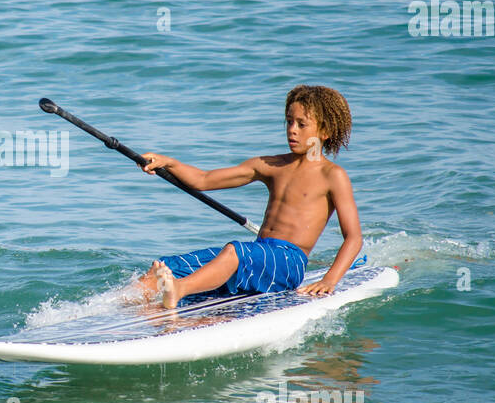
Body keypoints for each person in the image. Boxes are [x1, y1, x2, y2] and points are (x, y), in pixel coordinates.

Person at [131, 85, 363, 309]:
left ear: (325, 131)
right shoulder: (271, 166)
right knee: (169, 266)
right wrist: (169, 162)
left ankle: (179, 290)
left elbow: (353, 238)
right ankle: (116, 305)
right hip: (257, 254)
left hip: (288, 262)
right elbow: (203, 179)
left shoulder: (332, 175)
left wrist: (329, 280)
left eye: (302, 124)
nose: (292, 129)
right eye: (289, 121)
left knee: (234, 252)